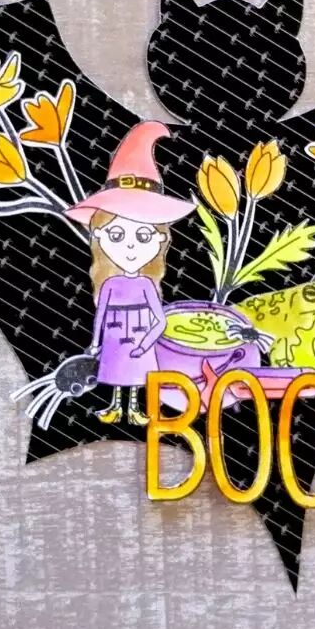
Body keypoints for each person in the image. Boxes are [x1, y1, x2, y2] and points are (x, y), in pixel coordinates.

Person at [65, 121, 195, 425]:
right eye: (117, 235)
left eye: (144, 236)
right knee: (116, 374)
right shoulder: (109, 283)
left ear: (161, 239)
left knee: (136, 377)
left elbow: (159, 319)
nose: (131, 247)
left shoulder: (148, 285)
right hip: (113, 341)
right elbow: (100, 314)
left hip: (139, 341)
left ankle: (135, 408)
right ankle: (115, 407)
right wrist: (95, 343)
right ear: (99, 236)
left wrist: (146, 343)